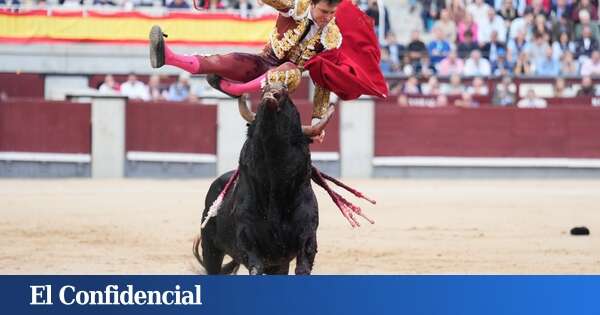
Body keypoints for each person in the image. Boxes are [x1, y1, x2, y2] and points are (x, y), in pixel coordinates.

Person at [149, 0, 387, 139]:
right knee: (223, 61)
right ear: (313, 3)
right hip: (263, 61)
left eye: (332, 13)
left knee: (288, 69)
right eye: (324, 11)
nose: (328, 17)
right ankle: (168, 56)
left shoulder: (333, 36)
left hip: (287, 78)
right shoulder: (297, 6)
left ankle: (234, 88)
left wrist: (317, 118)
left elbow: (323, 77)